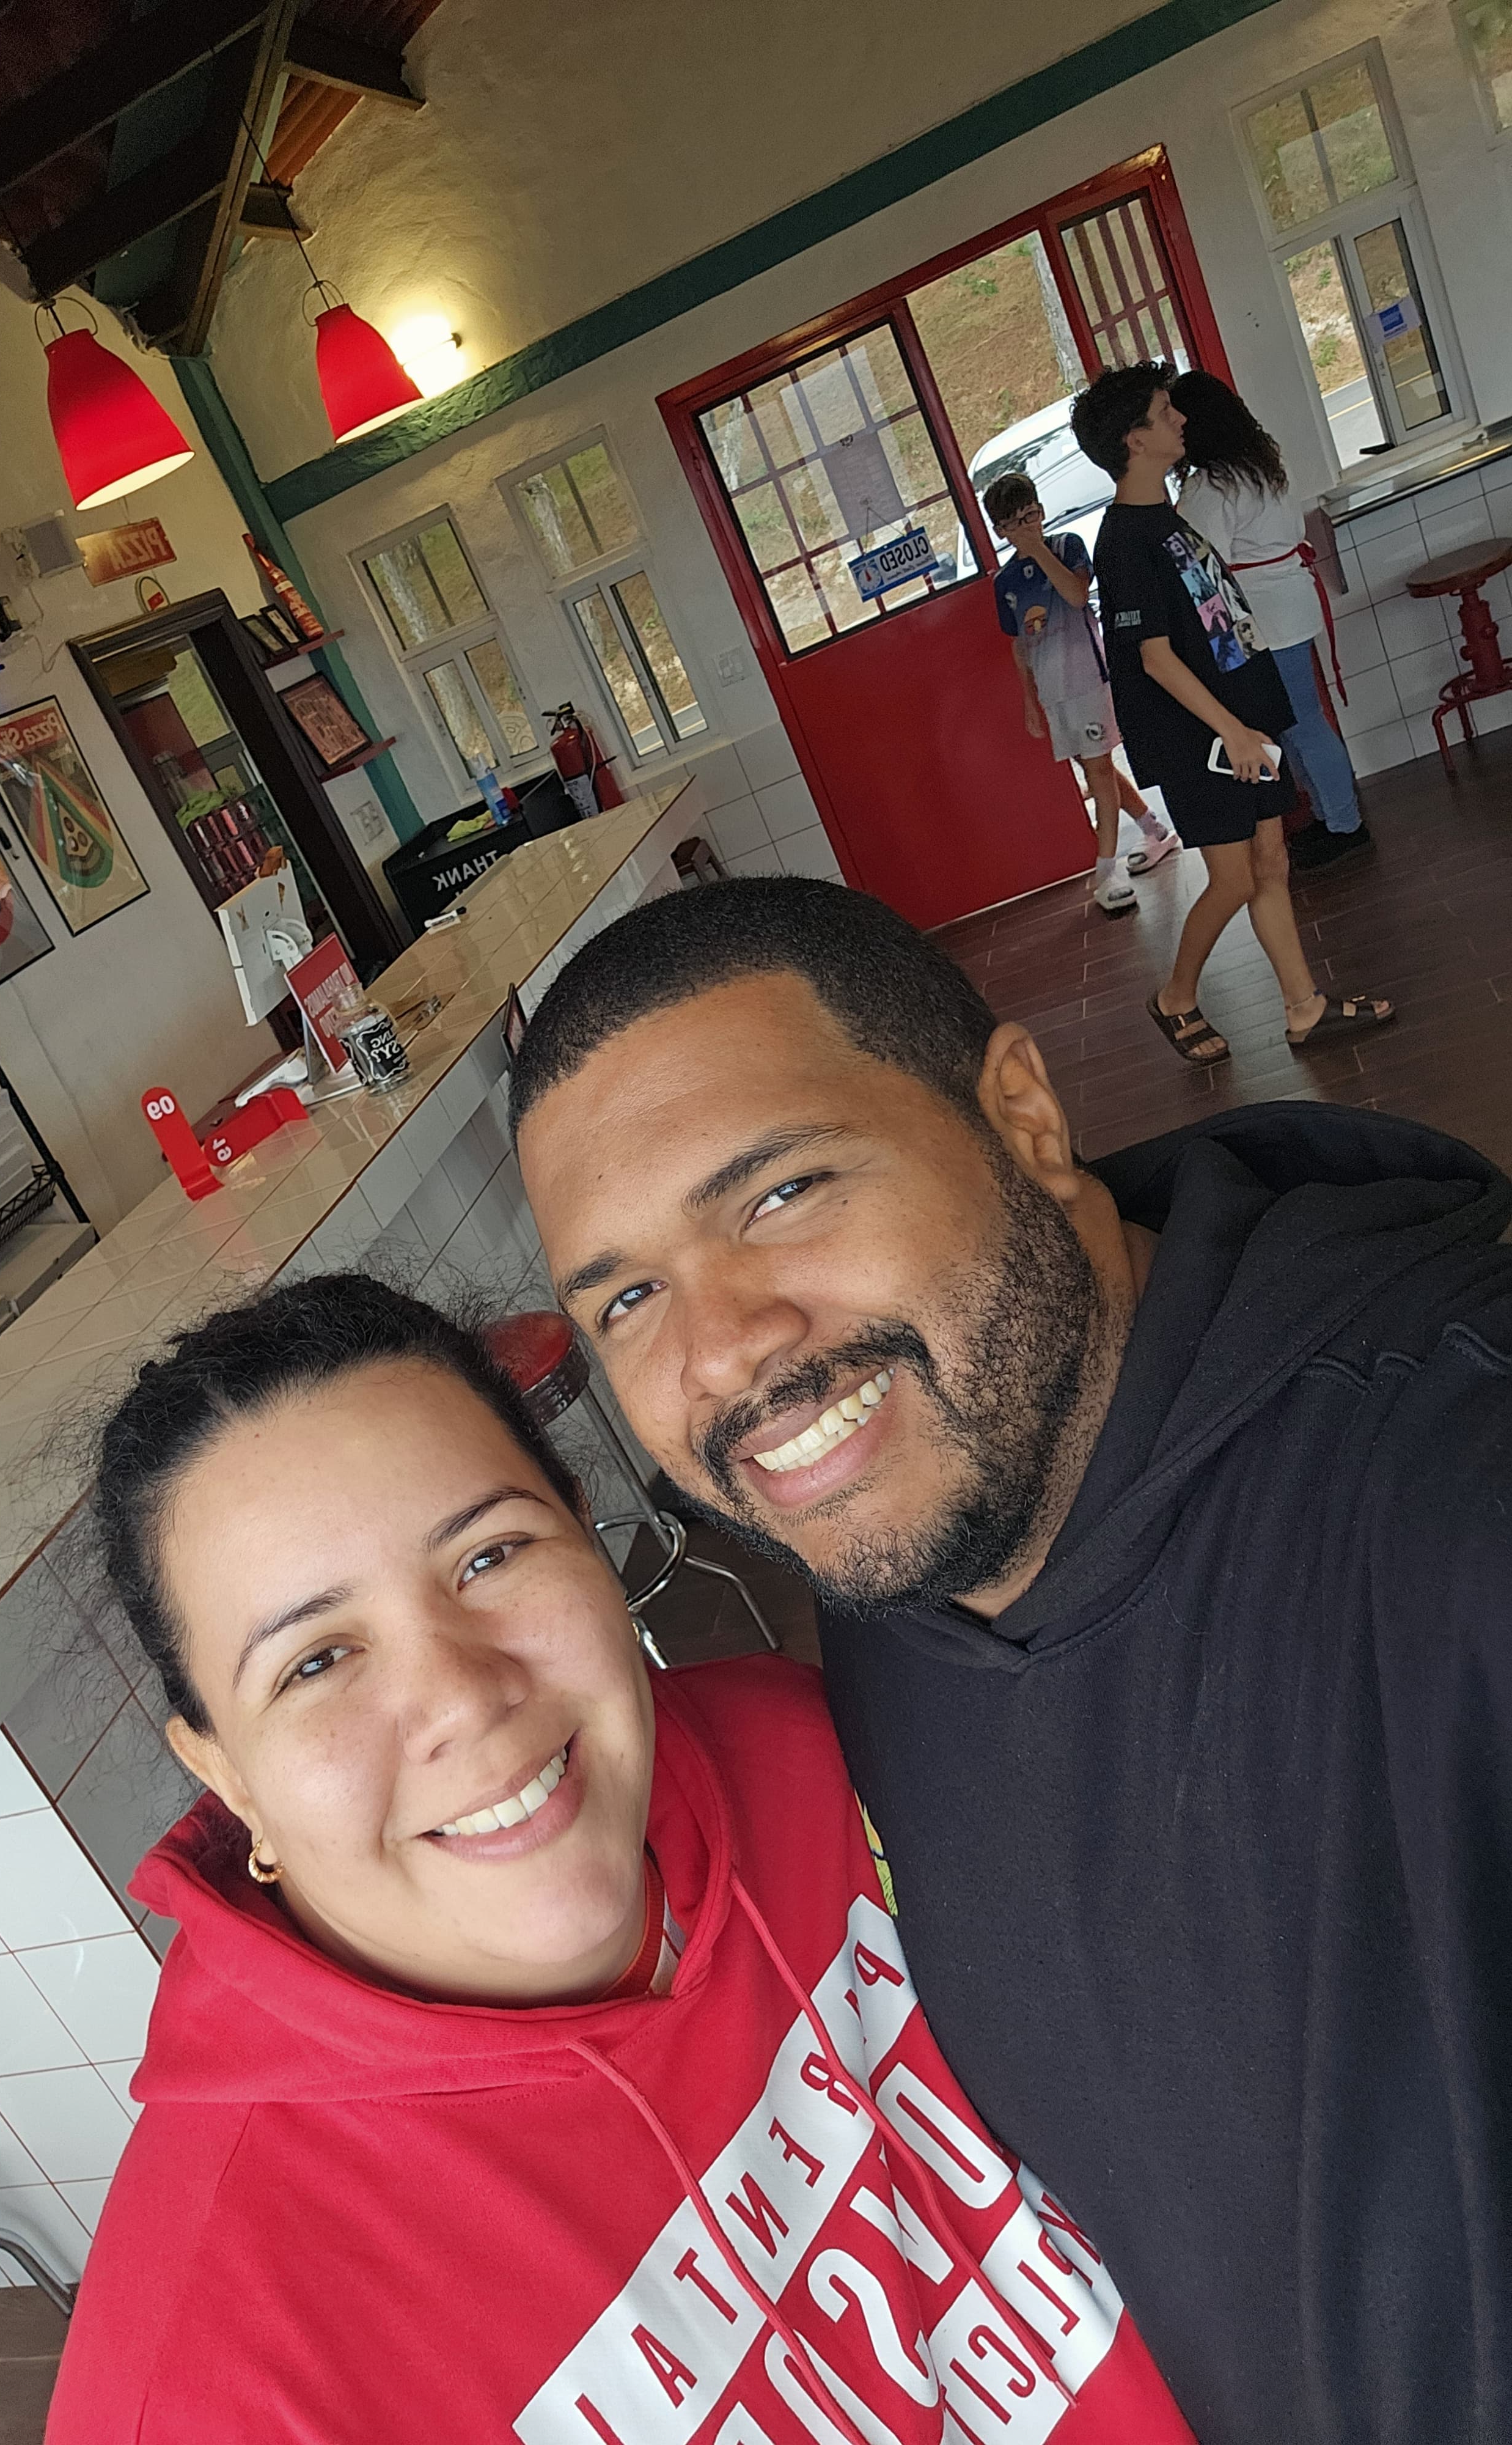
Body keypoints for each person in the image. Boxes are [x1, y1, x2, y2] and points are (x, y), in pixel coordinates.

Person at [510, 872, 1512, 2445]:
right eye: (629, 1297)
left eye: (780, 1193)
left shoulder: (1454, 1489)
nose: (720, 1352)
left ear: (1024, 1117)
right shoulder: (894, 1579)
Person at [48, 1274, 1190, 2443]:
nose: (465, 1698)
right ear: (227, 1776)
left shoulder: (815, 1748)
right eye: (316, 1662)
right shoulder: (206, 2392)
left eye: (490, 1557)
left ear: (588, 1535)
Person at [1071, 361, 1393, 1065]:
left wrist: (1251, 719)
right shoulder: (1123, 541)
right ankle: (1175, 997)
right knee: (1236, 877)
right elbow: (1154, 656)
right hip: (1200, 738)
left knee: (1270, 861)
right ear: (1134, 440)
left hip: (1242, 720)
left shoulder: (1169, 516)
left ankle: (1304, 1007)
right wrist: (1232, 730)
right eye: (1165, 413)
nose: (1181, 419)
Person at [1169, 369, 1369, 873]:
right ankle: (1331, 816)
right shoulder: (1262, 463)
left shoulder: (1212, 486)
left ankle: (1344, 823)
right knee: (1299, 723)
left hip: (1261, 619)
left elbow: (1199, 566)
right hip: (1288, 604)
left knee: (1299, 726)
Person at [983, 469, 1181, 918]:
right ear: (1000, 531)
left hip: (1089, 680)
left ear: (1041, 511)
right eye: (1014, 523)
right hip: (1052, 690)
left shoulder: (1067, 546)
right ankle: (1154, 830)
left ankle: (1106, 871)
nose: (1026, 527)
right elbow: (1020, 644)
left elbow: (1076, 595)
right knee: (1096, 767)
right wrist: (1029, 700)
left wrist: (1037, 548)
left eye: (1031, 516)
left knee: (1098, 770)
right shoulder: (1005, 583)